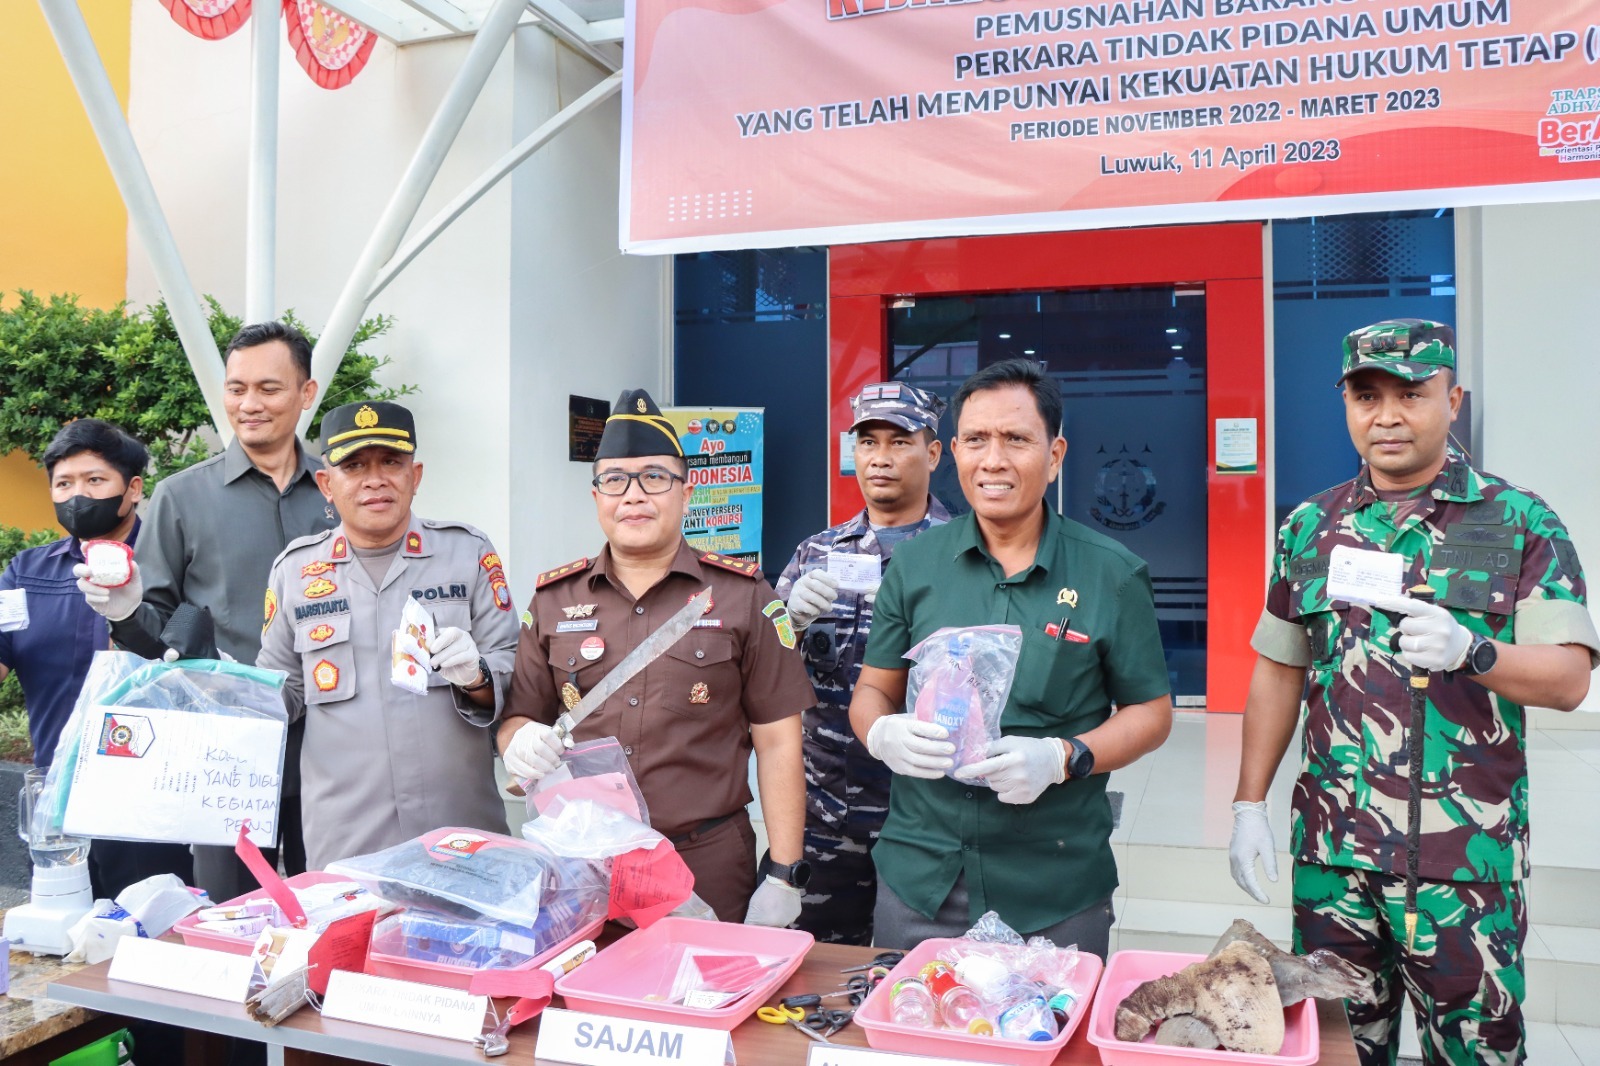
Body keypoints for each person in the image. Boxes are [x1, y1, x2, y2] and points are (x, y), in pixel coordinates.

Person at [1229, 319, 1598, 1066]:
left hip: (1464, 866)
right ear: (1346, 404)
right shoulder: (1310, 526)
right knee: (1334, 1051)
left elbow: (1568, 679)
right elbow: (1279, 669)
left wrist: (1474, 651)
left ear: (1452, 400)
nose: (1388, 416)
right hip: (1334, 856)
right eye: (1367, 396)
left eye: (1411, 394)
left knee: (1473, 1055)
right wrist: (1247, 804)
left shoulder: (1519, 520)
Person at [849, 359, 1173, 955]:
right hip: (922, 878)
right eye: (976, 439)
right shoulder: (916, 565)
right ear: (954, 452)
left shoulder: (1112, 574)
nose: (993, 460)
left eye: (1017, 439)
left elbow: (1151, 713)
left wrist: (1063, 757)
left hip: (1053, 885)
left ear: (1055, 456)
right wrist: (880, 734)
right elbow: (873, 689)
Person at [499, 388, 816, 926]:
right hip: (585, 865)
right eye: (615, 480)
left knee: (708, 981)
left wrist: (784, 873)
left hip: (705, 862)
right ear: (596, 496)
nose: (633, 495)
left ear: (686, 493)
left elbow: (779, 740)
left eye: (654, 478)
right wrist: (519, 743)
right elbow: (518, 719)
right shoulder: (554, 600)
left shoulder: (742, 595)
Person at [77, 321, 336, 901]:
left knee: (332, 905)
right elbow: (155, 628)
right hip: (225, 753)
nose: (249, 404)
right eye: (236, 388)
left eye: (269, 388)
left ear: (306, 393)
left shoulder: (338, 491)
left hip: (334, 748)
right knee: (230, 912)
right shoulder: (182, 497)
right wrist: (124, 613)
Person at [255, 401, 517, 868]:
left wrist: (477, 676)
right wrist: (220, 689)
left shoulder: (467, 553)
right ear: (326, 484)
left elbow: (514, 666)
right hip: (347, 839)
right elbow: (280, 693)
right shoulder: (294, 572)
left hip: (460, 832)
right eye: (354, 466)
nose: (374, 480)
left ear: (415, 476)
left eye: (391, 463)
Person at [773, 380, 950, 944]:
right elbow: (765, 671)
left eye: (900, 442)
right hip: (827, 812)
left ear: (933, 453)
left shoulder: (964, 554)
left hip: (927, 816)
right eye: (868, 442)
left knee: (916, 970)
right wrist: (790, 624)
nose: (880, 457)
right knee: (817, 968)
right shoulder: (817, 552)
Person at [0, 420, 191, 898]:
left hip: (154, 802)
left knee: (149, 931)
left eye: (95, 480)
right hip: (58, 800)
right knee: (62, 929)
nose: (77, 495)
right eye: (63, 483)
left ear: (133, 489)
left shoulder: (175, 564)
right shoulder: (26, 573)